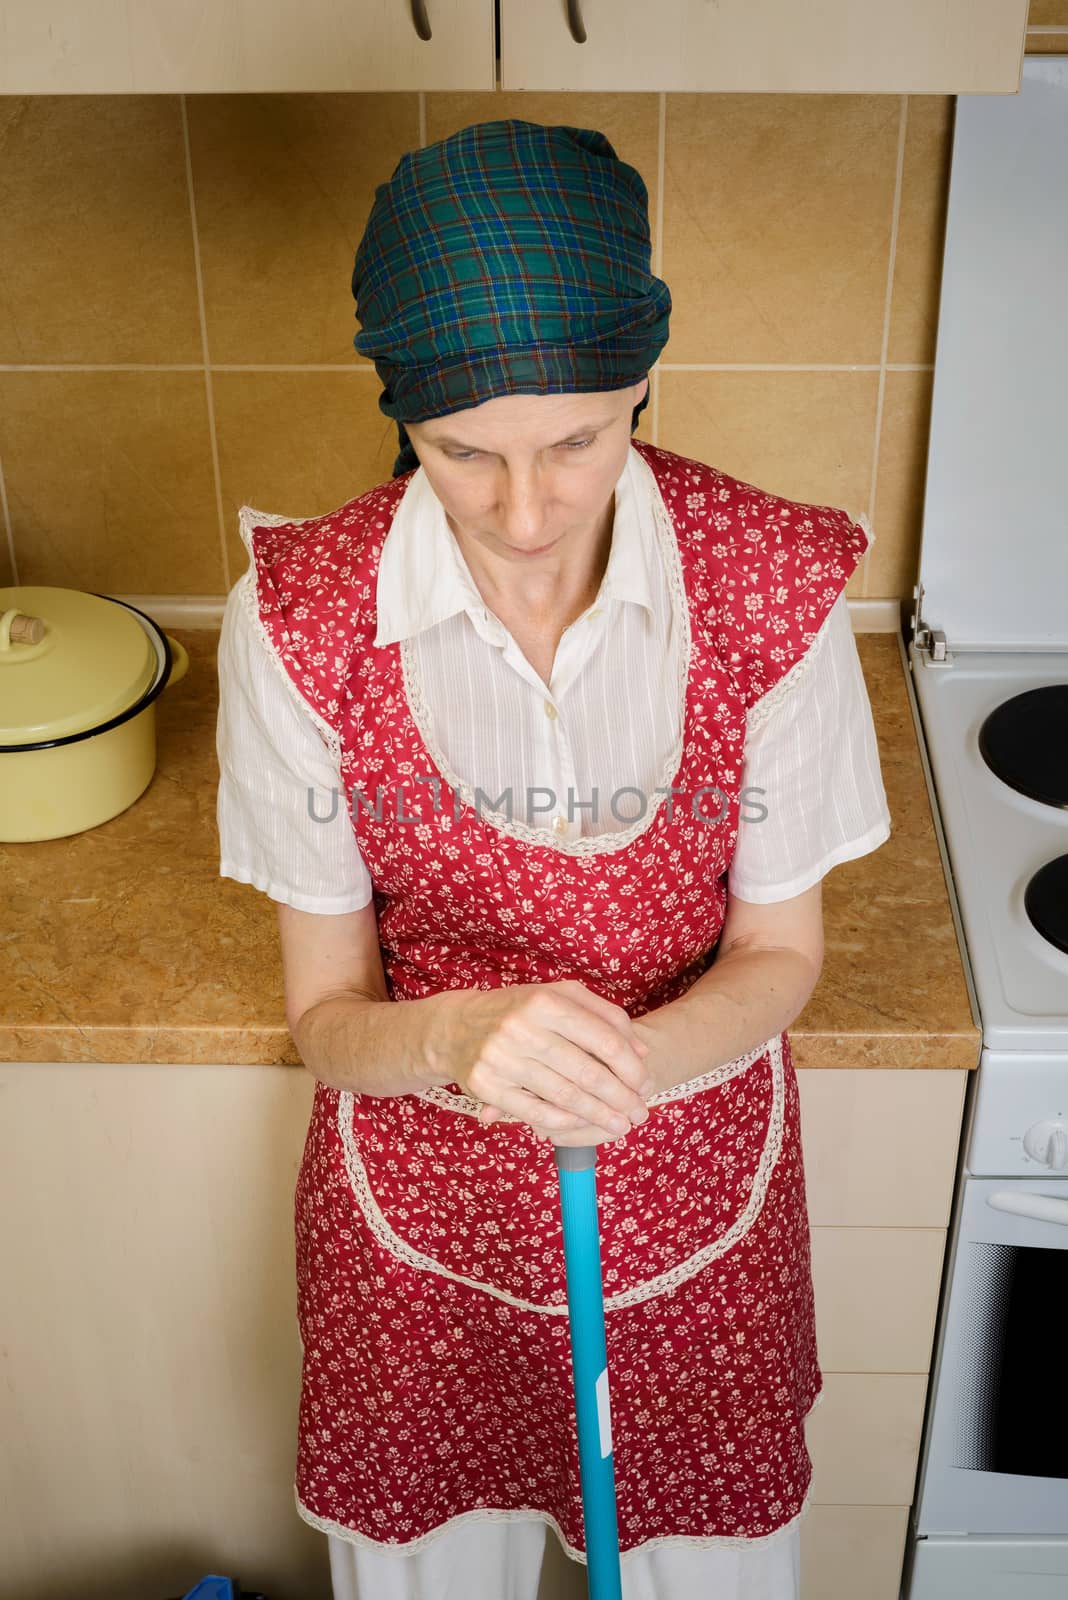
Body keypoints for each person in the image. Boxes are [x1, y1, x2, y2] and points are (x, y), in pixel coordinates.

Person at [215, 119, 891, 1600]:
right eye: (464, 453)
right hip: (419, 1230)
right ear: (402, 412)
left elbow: (779, 954)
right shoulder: (299, 618)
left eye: (579, 439)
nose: (525, 517)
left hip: (698, 1208)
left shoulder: (772, 588)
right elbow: (325, 1018)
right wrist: (459, 1037)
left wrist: (619, 1074)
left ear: (642, 377)